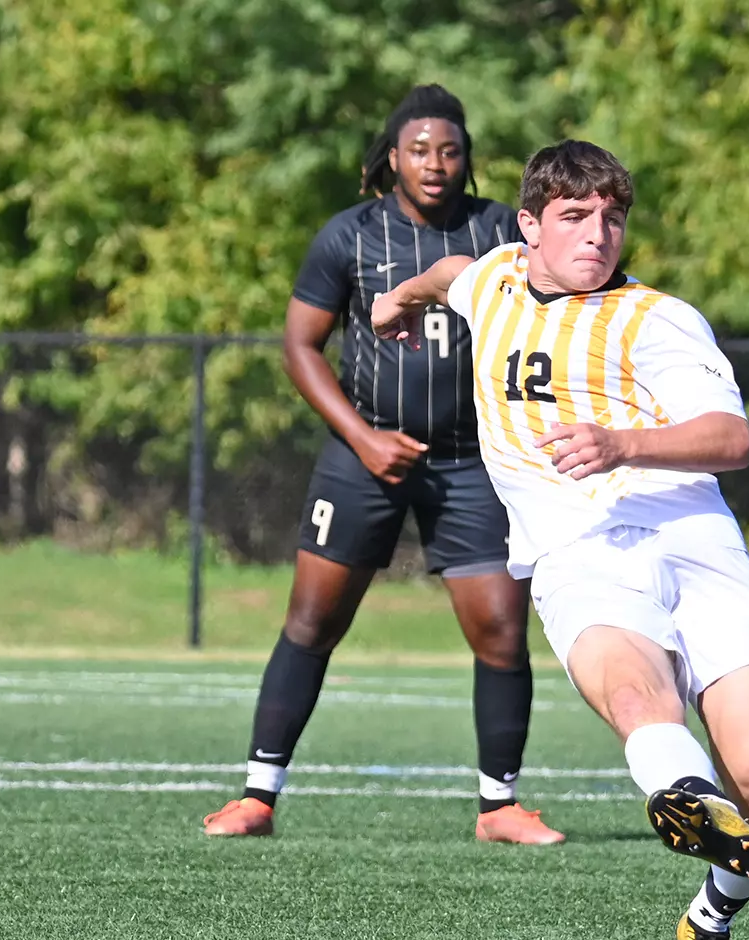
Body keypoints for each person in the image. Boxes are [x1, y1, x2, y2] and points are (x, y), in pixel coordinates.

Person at [369, 140, 749, 940]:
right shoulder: (492, 281)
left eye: (611, 218)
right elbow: (450, 269)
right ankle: (682, 794)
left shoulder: (657, 318)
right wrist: (397, 300)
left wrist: (622, 442)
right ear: (528, 227)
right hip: (580, 554)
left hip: (694, 543)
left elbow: (733, 440)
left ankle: (708, 919)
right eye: (573, 217)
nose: (597, 235)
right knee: (641, 698)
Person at [201, 85, 562, 846]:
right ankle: (258, 795)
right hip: (362, 460)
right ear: (392, 157)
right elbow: (300, 347)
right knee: (313, 620)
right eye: (420, 149)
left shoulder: (499, 230)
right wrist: (364, 439)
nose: (436, 163)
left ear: (467, 160)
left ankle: (499, 807)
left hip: (471, 462)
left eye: (451, 150)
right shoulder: (350, 235)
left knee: (500, 630)